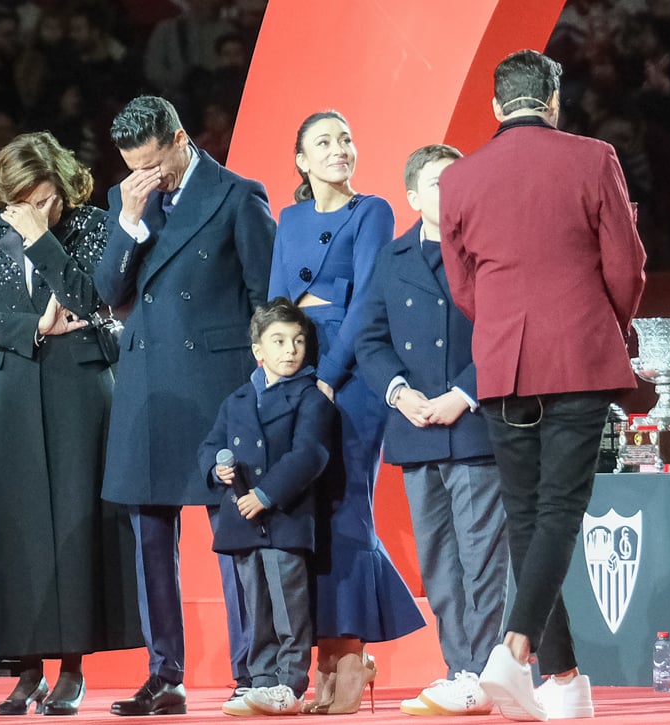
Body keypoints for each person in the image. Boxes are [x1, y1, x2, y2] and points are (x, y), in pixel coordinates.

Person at [439, 50, 647, 721]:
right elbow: (627, 264)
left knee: (527, 516)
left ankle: (564, 681)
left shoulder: (460, 178)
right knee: (558, 508)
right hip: (579, 353)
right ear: (553, 100)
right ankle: (515, 649)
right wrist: (606, 322)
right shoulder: (594, 158)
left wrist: (504, 324)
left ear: (497, 106)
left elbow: (462, 284)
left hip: (502, 360)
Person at [0, 131, 142, 716]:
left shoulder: (95, 225)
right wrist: (32, 329)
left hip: (80, 387)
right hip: (6, 390)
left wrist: (42, 239)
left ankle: (72, 666)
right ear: (6, 195)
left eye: (48, 198)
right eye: (26, 202)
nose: (38, 209)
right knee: (13, 529)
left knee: (76, 520)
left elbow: (93, 297)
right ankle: (26, 668)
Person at [95, 94, 275, 716]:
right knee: (149, 537)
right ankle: (163, 674)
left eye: (153, 162)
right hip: (148, 388)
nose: (146, 175)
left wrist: (260, 392)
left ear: (178, 137)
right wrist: (130, 219)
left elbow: (266, 298)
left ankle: (252, 671)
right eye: (132, 166)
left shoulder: (237, 195)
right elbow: (107, 290)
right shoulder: (134, 203)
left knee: (232, 534)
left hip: (218, 386)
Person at [268, 110, 425, 715]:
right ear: (302, 161)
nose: (340, 150)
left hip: (351, 377)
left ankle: (351, 658)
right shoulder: (290, 217)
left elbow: (365, 304)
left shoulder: (374, 211)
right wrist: (290, 369)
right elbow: (282, 299)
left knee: (347, 511)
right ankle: (327, 661)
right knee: (311, 523)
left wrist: (329, 376)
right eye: (324, 143)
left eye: (346, 139)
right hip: (297, 368)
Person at [355, 144, 509, 717]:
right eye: (438, 182)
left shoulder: (485, 252)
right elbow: (370, 339)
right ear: (414, 196)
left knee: (482, 555)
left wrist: (461, 395)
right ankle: (458, 668)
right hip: (417, 428)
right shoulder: (392, 258)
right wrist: (400, 393)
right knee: (440, 560)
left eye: (458, 180)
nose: (451, 191)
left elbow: (501, 331)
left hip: (471, 425)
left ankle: (484, 668)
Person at [200, 298, 337, 718]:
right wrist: (215, 469)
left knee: (288, 606)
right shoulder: (237, 399)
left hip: (285, 517)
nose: (290, 350)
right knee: (255, 606)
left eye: (297, 341)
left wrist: (266, 494)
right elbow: (210, 445)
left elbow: (309, 454)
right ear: (258, 350)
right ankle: (260, 680)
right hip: (243, 523)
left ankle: (291, 683)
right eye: (278, 341)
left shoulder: (311, 398)